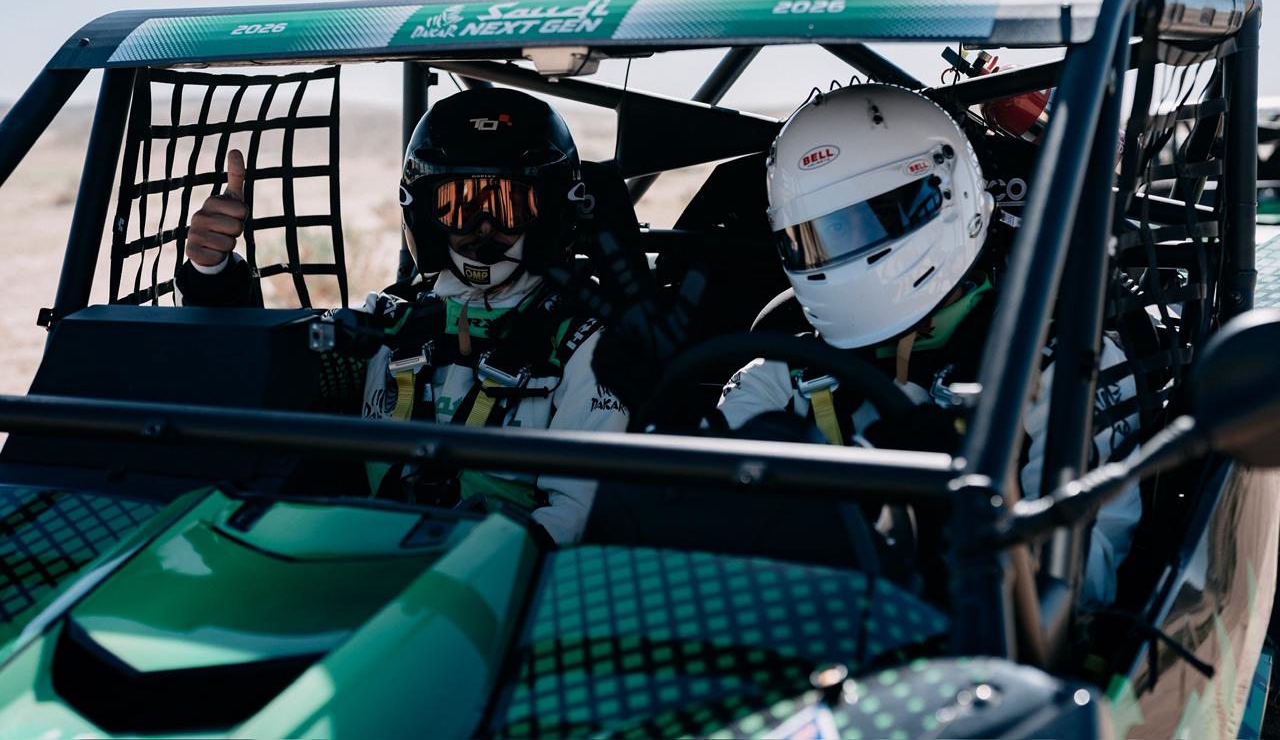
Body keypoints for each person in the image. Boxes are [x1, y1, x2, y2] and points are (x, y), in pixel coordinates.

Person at [712, 83, 1142, 608]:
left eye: (867, 219)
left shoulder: (1061, 367)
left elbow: (1085, 584)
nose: (839, 248)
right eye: (820, 233)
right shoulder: (777, 377)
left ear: (946, 196)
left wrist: (955, 511)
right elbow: (700, 535)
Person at [177, 87, 628, 545]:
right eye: (458, 205)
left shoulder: (588, 345)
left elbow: (574, 517)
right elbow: (271, 373)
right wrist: (212, 274)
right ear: (426, 212)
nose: (483, 226)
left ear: (550, 211)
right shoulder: (385, 322)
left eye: (508, 205)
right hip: (366, 557)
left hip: (493, 577)